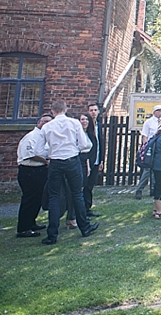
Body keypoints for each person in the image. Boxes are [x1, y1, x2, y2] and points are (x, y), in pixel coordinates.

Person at [39, 100, 99, 245]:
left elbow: (38, 150)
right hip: (72, 160)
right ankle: (84, 227)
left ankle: (52, 234)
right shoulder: (74, 123)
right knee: (77, 193)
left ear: (52, 112)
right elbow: (85, 144)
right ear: (65, 109)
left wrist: (51, 152)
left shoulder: (47, 127)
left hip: (55, 162)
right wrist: (75, 148)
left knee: (54, 197)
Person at [15, 114, 51, 237]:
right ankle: (23, 228)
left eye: (49, 122)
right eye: (44, 121)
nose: (46, 124)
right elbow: (29, 154)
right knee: (29, 199)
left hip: (40, 171)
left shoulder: (45, 137)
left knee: (38, 199)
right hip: (29, 171)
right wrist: (46, 161)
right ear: (38, 123)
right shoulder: (31, 136)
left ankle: (31, 222)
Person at [135, 105, 161, 200]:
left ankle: (153, 189)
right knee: (148, 169)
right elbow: (144, 135)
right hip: (151, 147)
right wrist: (145, 147)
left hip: (160, 147)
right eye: (160, 111)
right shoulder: (148, 122)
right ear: (155, 111)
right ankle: (139, 189)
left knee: (156, 169)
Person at [78, 113, 99, 216]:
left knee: (89, 187)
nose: (84, 121)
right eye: (82, 119)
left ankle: (87, 208)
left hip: (91, 163)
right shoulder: (77, 134)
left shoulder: (91, 134)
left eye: (86, 119)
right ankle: (80, 212)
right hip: (81, 164)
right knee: (81, 188)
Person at [84, 102, 103, 217]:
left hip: (96, 160)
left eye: (95, 110)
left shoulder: (98, 125)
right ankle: (82, 210)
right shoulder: (86, 125)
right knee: (84, 185)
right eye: (91, 110)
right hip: (87, 160)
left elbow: (100, 144)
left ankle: (87, 208)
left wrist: (101, 160)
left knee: (90, 185)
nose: (93, 112)